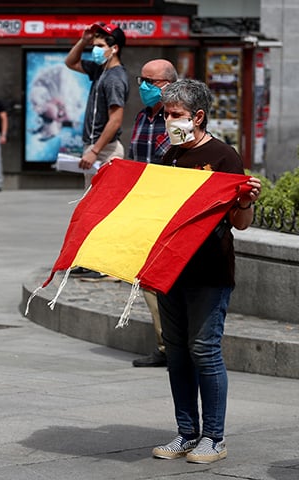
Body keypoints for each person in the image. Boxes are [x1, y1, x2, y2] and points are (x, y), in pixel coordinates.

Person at [151, 79, 261, 464]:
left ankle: (214, 436)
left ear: (198, 116)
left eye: (176, 115)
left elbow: (240, 221)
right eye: (166, 114)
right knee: (178, 352)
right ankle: (186, 432)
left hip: (209, 270)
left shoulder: (223, 156)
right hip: (170, 269)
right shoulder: (167, 156)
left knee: (204, 350)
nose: (168, 121)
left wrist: (245, 201)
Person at [128, 59, 178, 368]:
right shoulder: (143, 117)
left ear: (170, 84)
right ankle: (165, 344)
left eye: (152, 82)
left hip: (169, 210)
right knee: (147, 278)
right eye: (142, 80)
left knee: (163, 280)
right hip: (144, 208)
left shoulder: (180, 120)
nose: (145, 87)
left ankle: (171, 345)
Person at [64, 21, 129, 188]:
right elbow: (71, 62)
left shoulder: (115, 79)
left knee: (101, 203)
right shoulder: (100, 69)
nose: (95, 49)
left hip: (105, 150)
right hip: (97, 147)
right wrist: (83, 41)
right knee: (91, 201)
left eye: (100, 45)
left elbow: (115, 120)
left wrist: (94, 151)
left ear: (114, 49)